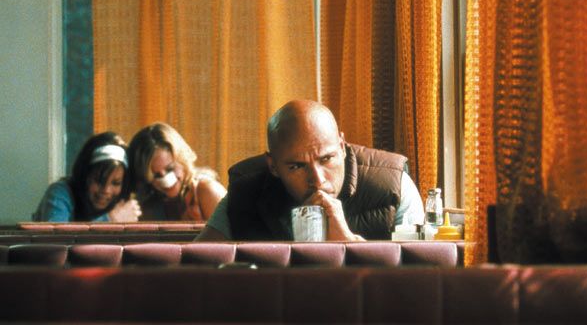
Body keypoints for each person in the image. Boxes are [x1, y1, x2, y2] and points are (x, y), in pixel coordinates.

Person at [197, 99, 424, 241]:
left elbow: (414, 284)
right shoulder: (247, 188)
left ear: (342, 147)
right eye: (297, 166)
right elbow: (195, 270)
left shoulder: (394, 184)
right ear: (273, 166)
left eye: (326, 159)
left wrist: (349, 244)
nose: (317, 180)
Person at [33, 132, 141, 222]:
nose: (106, 190)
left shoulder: (124, 206)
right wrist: (110, 220)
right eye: (99, 181)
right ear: (84, 176)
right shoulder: (60, 193)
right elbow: (56, 239)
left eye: (116, 183)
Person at [127, 122, 227, 221]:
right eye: (156, 175)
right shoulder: (149, 205)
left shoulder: (206, 192)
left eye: (170, 169)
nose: (165, 180)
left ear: (182, 159)